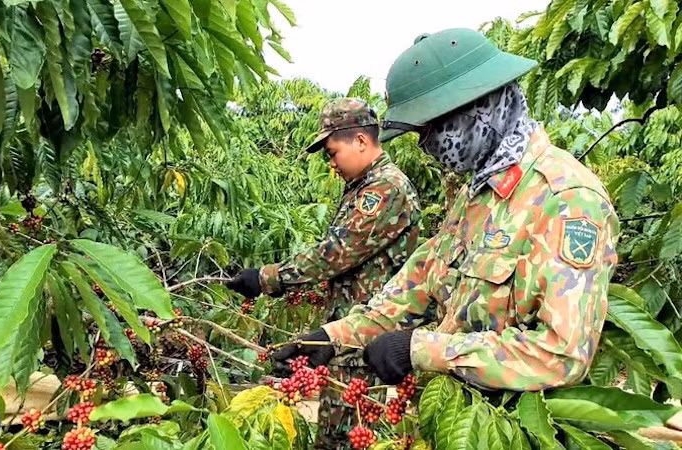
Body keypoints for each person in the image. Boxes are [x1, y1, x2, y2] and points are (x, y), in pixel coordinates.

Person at [272, 28, 619, 392]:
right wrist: (333, 336)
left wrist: (423, 349)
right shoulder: (476, 195)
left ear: (477, 109)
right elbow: (418, 285)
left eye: (431, 129)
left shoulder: (567, 199)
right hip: (454, 409)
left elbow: (560, 355)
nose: (426, 146)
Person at [226, 98, 421, 448]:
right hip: (347, 335)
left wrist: (267, 278)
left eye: (332, 153)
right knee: (334, 434)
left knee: (346, 438)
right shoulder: (363, 187)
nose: (331, 164)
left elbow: (336, 253)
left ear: (360, 140)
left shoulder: (386, 188)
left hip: (365, 340)